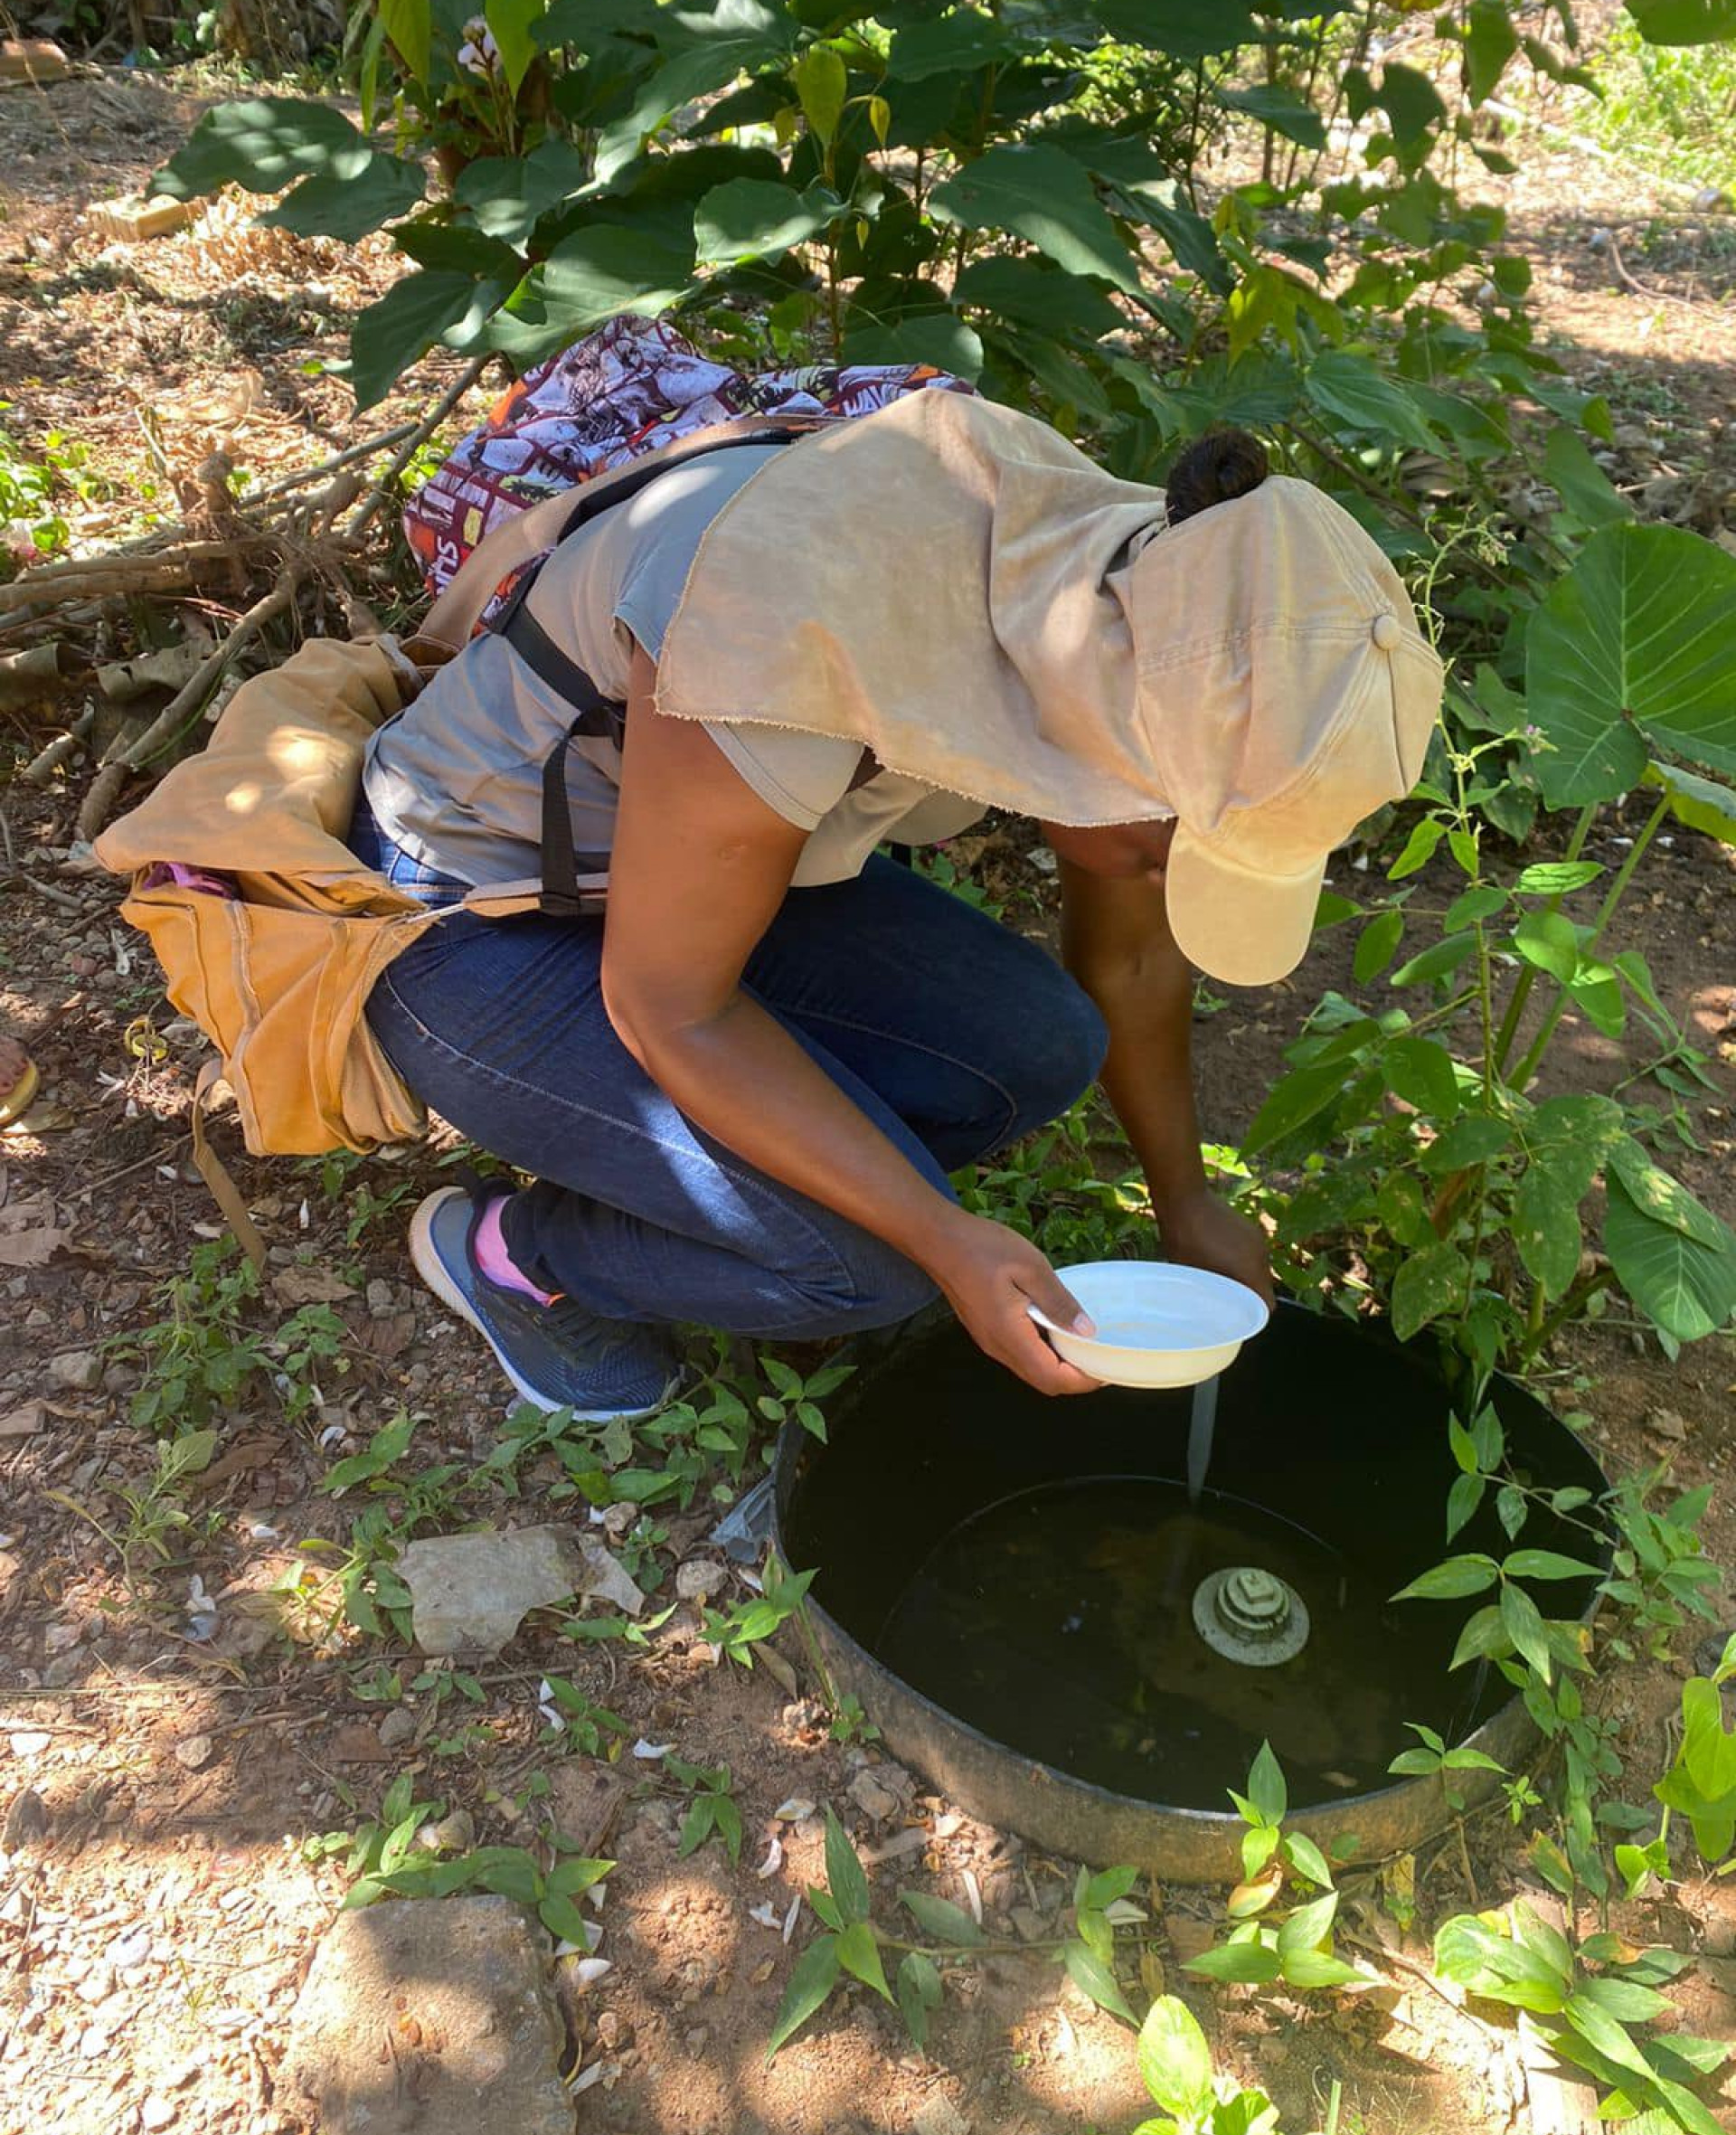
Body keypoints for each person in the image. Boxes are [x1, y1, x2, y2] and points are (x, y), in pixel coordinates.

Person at [350, 386, 1442, 1419]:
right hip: (463, 907)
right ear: (1115, 751)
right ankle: (517, 1254)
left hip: (676, 866)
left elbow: (1134, 964)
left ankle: (737, 1187)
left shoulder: (1140, 603)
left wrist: (1187, 1199)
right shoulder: (778, 617)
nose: (1162, 880)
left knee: (1038, 1043)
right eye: (1171, 853)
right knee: (868, 1266)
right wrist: (938, 1233)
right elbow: (668, 1007)